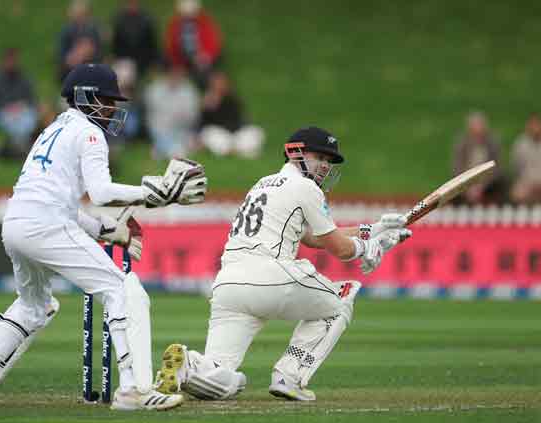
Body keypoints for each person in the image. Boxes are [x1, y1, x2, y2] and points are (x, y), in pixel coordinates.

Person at [0, 63, 208, 411]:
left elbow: (63, 202)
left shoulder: (52, 130)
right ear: (85, 97)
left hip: (15, 224)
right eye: (106, 100)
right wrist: (155, 192)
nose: (112, 109)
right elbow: (101, 193)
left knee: (34, 306)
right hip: (45, 225)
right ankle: (133, 390)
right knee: (121, 290)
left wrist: (109, 230)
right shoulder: (90, 134)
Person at [153, 127, 411, 401]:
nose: (325, 165)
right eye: (319, 157)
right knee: (340, 300)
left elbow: (313, 238)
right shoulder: (306, 187)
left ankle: (189, 366)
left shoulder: (264, 183)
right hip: (271, 275)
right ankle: (289, 375)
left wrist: (372, 230)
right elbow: (338, 248)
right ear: (296, 152)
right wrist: (367, 248)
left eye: (329, 161)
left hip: (228, 284)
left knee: (224, 376)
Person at [0, 48, 39, 159]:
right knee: (16, 124)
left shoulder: (23, 78)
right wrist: (8, 108)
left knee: (28, 120)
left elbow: (31, 99)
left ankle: (19, 148)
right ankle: (20, 149)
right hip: (2, 111)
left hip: (22, 110)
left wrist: (21, 106)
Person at [199, 71, 265, 159]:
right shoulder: (207, 101)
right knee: (208, 133)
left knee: (256, 132)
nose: (220, 86)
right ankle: (241, 152)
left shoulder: (233, 99)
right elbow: (204, 125)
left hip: (236, 135)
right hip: (220, 135)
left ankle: (234, 151)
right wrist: (208, 107)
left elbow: (241, 120)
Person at [144, 64, 199, 159]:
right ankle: (164, 148)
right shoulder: (155, 89)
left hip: (182, 129)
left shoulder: (189, 90)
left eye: (178, 74)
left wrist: (182, 117)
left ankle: (162, 149)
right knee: (177, 151)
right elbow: (154, 114)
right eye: (173, 74)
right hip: (161, 128)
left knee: (188, 142)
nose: (175, 77)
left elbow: (192, 114)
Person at [165, 0, 223, 89]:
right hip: (182, 57)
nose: (188, 16)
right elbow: (171, 45)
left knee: (202, 76)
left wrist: (205, 57)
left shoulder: (205, 22)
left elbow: (213, 43)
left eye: (191, 13)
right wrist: (178, 64)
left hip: (201, 57)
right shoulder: (175, 24)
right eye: (185, 13)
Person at [452, 111, 505, 203]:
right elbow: (457, 167)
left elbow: (497, 168)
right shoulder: (462, 144)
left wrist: (483, 186)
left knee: (502, 183)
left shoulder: (492, 144)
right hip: (466, 182)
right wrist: (468, 186)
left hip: (488, 183)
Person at [112, 0, 159, 79]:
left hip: (143, 60)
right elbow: (116, 43)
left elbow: (152, 44)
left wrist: (153, 61)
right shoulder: (119, 20)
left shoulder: (147, 20)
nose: (132, 6)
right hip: (124, 59)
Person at [58, 0, 102, 81]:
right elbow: (61, 53)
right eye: (77, 14)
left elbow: (99, 52)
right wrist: (73, 57)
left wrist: (88, 52)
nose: (79, 17)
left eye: (82, 14)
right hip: (70, 67)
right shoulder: (66, 31)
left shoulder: (93, 31)